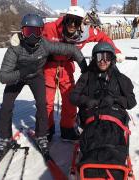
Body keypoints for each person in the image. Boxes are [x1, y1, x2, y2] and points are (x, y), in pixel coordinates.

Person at [0, 13, 87, 158]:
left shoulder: (45, 44)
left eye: (36, 32)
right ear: (22, 32)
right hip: (17, 77)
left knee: (42, 104)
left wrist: (84, 66)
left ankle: (41, 135)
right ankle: (5, 138)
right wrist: (22, 71)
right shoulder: (15, 47)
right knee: (6, 106)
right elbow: (3, 77)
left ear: (41, 32)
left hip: (35, 77)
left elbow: (71, 49)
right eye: (28, 31)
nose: (32, 36)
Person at [42, 6, 125, 142]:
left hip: (67, 67)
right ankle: (46, 131)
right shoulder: (50, 28)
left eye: (76, 22)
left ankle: (67, 130)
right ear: (65, 18)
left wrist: (115, 51)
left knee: (70, 100)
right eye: (69, 20)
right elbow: (33, 36)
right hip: (49, 67)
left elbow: (103, 37)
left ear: (81, 23)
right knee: (46, 102)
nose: (72, 25)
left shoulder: (86, 33)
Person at [70, 42, 137, 179]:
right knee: (93, 133)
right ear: (94, 59)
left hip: (114, 116)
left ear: (112, 59)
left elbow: (131, 101)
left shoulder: (120, 79)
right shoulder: (87, 76)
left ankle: (112, 160)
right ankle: (93, 161)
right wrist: (87, 101)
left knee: (112, 133)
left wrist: (115, 99)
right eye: (99, 57)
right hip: (92, 115)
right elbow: (74, 96)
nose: (103, 61)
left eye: (107, 57)